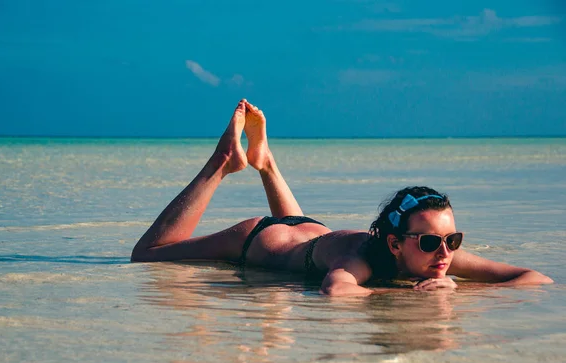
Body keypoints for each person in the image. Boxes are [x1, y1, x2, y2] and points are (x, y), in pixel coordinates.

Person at [131, 100, 553, 296]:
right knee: (149, 254)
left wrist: (460, 288)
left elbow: (535, 278)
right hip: (262, 240)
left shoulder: (434, 256)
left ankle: (267, 162)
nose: (444, 252)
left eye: (452, 240)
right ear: (394, 243)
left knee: (304, 236)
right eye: (429, 241)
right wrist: (412, 294)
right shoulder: (361, 262)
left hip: (312, 234)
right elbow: (337, 292)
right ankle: (222, 162)